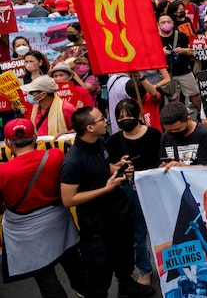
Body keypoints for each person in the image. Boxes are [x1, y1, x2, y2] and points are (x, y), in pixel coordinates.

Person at [60, 106, 153, 298]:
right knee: (100, 268)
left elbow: (104, 166)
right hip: (96, 223)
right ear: (90, 128)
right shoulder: (73, 161)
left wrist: (117, 168)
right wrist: (105, 189)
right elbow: (68, 199)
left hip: (118, 212)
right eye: (101, 119)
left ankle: (127, 285)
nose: (106, 121)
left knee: (124, 256)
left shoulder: (100, 142)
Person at [0, 118, 83, 297]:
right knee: (72, 261)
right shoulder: (55, 156)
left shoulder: (3, 172)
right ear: (35, 137)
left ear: (7, 142)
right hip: (58, 222)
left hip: (24, 232)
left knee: (45, 277)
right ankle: (87, 291)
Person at [106, 99, 162, 287]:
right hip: (130, 193)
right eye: (120, 118)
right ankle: (144, 269)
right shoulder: (113, 141)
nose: (125, 120)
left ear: (138, 115)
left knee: (161, 230)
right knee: (137, 235)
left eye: (129, 116)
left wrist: (143, 174)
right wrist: (120, 167)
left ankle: (169, 267)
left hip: (154, 190)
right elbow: (110, 167)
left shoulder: (154, 135)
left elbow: (162, 163)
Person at [159, 102, 207, 167]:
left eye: (178, 129)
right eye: (169, 131)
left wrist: (182, 166)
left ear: (188, 119)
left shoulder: (206, 135)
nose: (174, 133)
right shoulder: (166, 137)